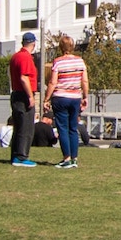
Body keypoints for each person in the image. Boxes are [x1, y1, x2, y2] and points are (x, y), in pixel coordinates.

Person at [44, 35, 88, 170]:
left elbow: (53, 82)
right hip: (75, 97)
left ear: (60, 47)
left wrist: (47, 99)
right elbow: (84, 81)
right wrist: (85, 96)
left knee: (63, 128)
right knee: (73, 128)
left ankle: (66, 158)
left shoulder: (57, 62)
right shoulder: (80, 62)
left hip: (60, 97)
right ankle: (74, 158)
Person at [8, 32, 41, 168]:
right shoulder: (25, 58)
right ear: (33, 43)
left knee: (18, 126)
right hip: (23, 95)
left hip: (16, 94)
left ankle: (15, 154)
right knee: (26, 127)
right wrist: (30, 96)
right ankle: (21, 156)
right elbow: (24, 77)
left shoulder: (15, 56)